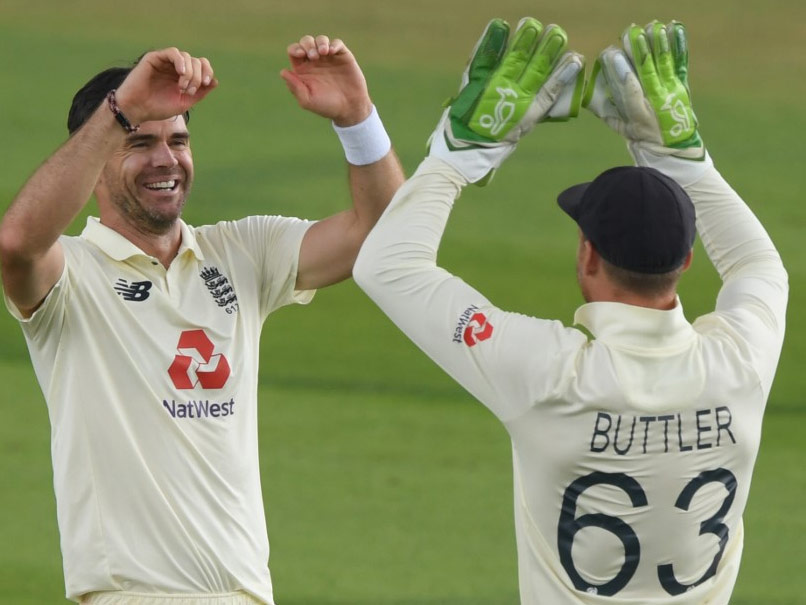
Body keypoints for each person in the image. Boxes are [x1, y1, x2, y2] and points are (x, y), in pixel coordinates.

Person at [354, 17, 787, 605]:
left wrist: (459, 155)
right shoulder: (742, 364)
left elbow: (388, 266)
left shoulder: (549, 374)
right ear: (686, 260)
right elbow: (760, 268)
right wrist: (684, 158)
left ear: (587, 254)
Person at [0, 34, 403, 605]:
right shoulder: (70, 273)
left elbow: (382, 235)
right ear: (94, 163)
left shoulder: (242, 252)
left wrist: (357, 119)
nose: (167, 159)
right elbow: (15, 244)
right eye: (140, 142)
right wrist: (119, 110)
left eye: (179, 140)